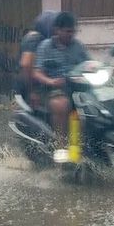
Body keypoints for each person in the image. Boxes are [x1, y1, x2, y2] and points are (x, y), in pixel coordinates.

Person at [33, 12, 92, 142]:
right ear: (57, 30)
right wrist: (52, 81)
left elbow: (89, 64)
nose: (71, 34)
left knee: (97, 104)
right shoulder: (45, 47)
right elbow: (37, 72)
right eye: (67, 31)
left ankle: (92, 143)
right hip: (53, 90)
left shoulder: (77, 46)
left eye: (73, 31)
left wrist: (93, 68)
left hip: (77, 89)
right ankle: (60, 144)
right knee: (61, 104)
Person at [16, 11, 58, 109]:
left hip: (42, 85)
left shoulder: (46, 40)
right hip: (33, 89)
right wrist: (32, 91)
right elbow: (26, 65)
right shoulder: (34, 39)